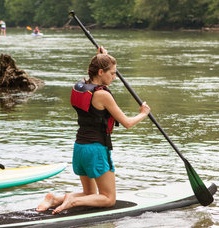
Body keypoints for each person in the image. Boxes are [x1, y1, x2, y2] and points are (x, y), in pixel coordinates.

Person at [37, 47, 150, 214]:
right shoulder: (103, 95)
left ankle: (55, 199)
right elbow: (126, 123)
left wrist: (101, 57)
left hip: (80, 148)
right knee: (108, 198)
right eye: (112, 73)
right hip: (96, 149)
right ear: (100, 71)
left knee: (90, 194)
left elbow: (93, 76)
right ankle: (73, 200)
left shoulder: (79, 87)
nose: (114, 77)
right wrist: (143, 114)